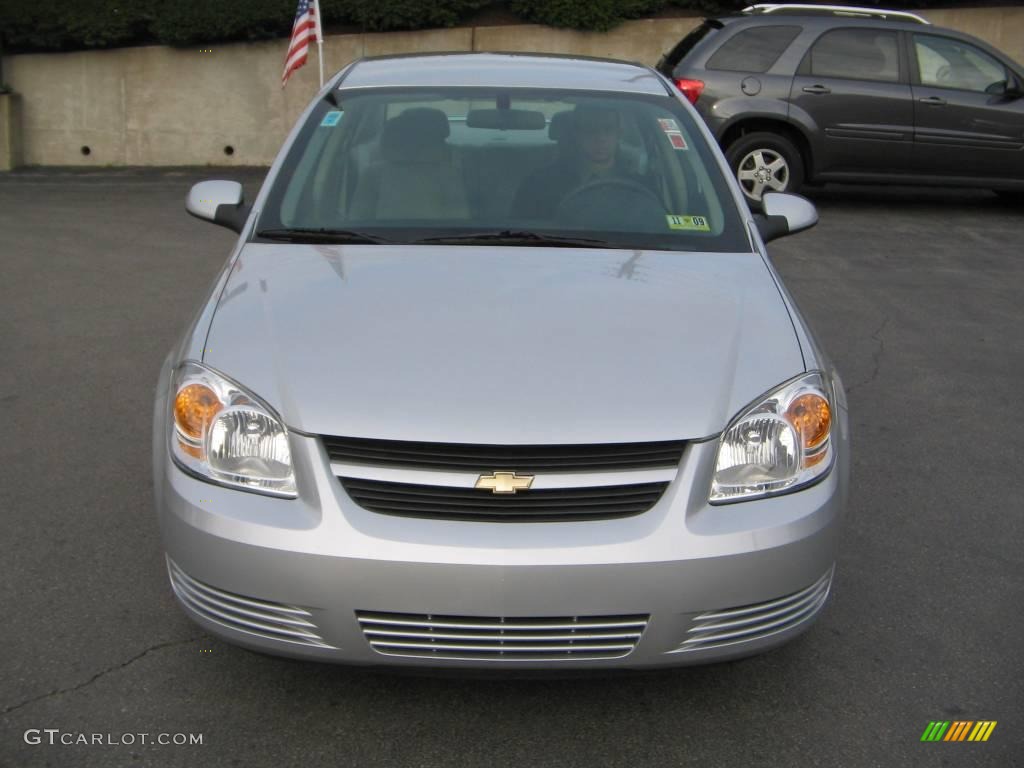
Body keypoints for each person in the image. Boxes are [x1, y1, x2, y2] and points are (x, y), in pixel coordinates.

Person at [511, 105, 647, 221]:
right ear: (576, 134)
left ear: (619, 133)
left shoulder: (639, 187)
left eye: (608, 129)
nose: (600, 138)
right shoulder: (539, 185)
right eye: (590, 130)